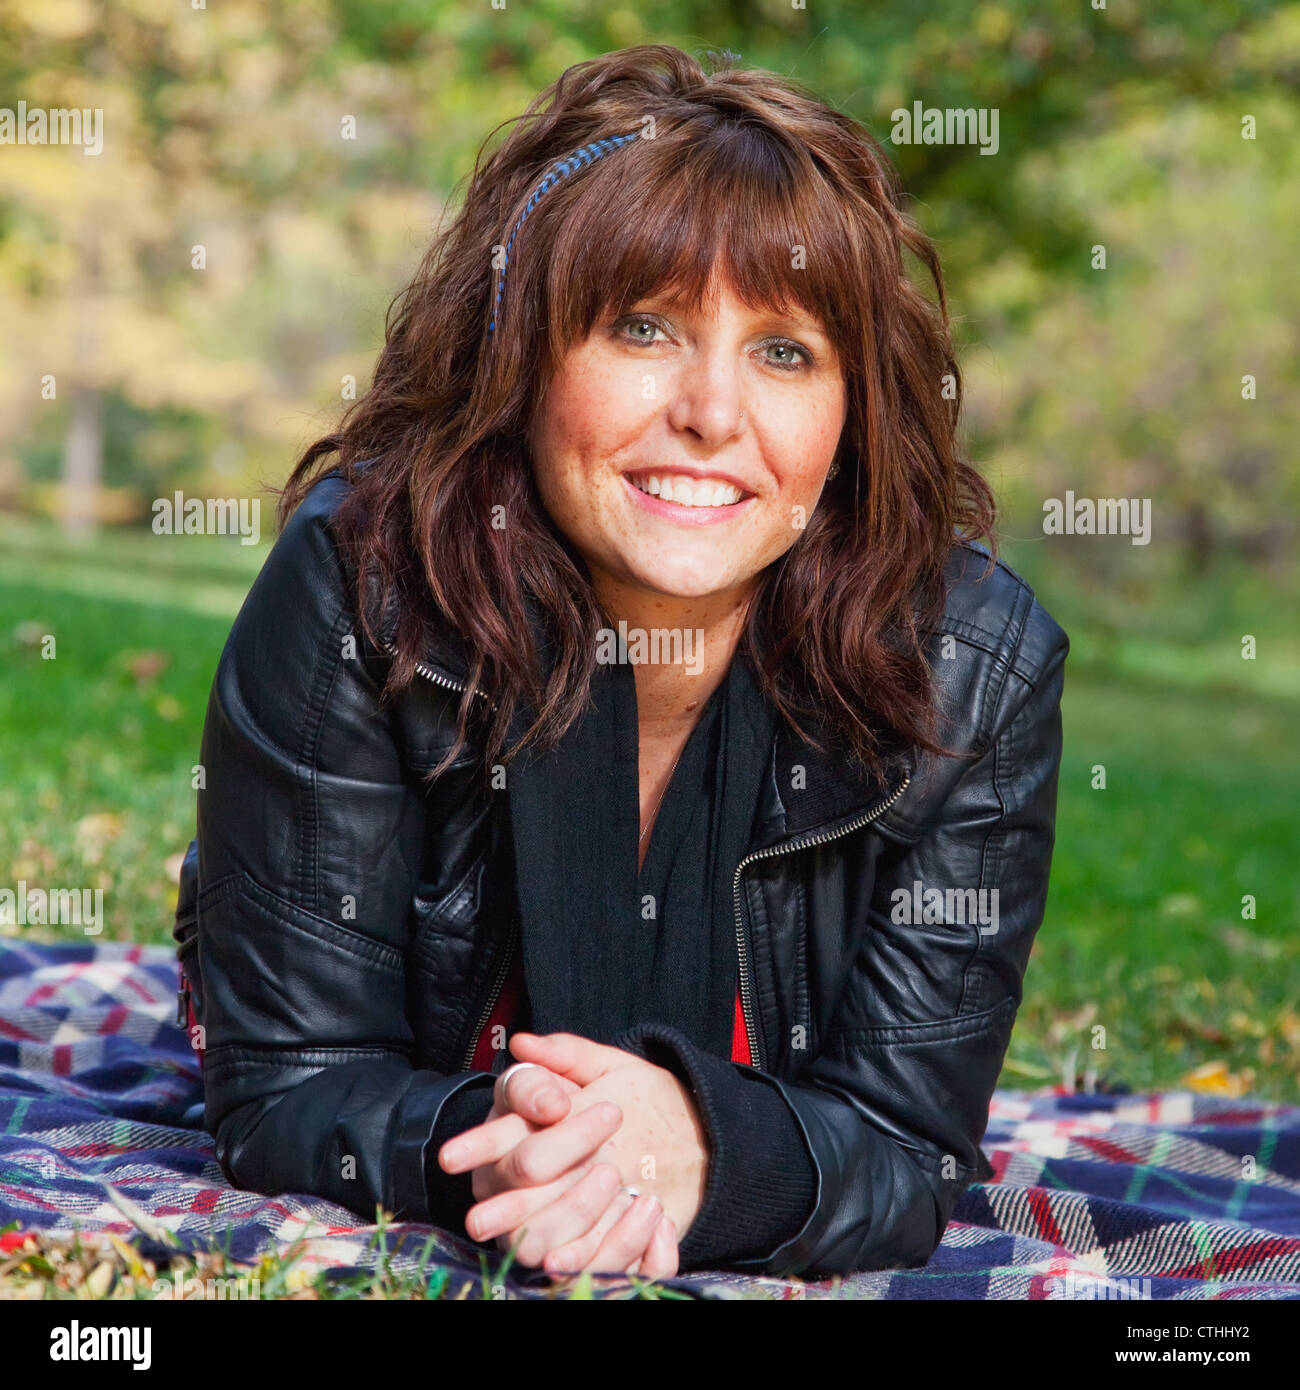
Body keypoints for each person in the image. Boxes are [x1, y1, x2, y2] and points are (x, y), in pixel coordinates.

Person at [173, 43, 1068, 1281]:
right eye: (642, 327)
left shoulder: (975, 671)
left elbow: (911, 1151)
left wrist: (712, 1152)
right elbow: (288, 1089)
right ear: (519, 356)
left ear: (854, 410)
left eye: (785, 351)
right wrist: (498, 1144)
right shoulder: (361, 589)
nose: (711, 413)